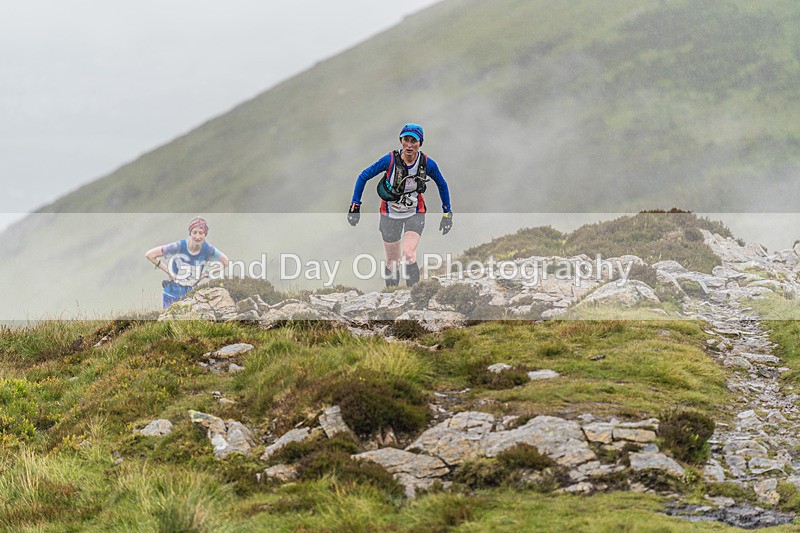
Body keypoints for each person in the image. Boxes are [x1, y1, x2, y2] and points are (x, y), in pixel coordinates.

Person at [348, 123, 452, 287]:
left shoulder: (427, 163)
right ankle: (391, 294)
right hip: (389, 214)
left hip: (415, 212)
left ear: (420, 143)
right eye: (406, 140)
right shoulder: (390, 160)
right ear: (401, 141)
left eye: (414, 141)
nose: (409, 145)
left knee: (409, 254)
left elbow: (442, 184)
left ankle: (416, 294)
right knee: (392, 262)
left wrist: (447, 214)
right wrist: (355, 205)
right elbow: (363, 176)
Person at [144, 217, 230, 308]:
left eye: (201, 233)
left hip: (190, 296)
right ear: (190, 233)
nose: (197, 237)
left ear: (205, 234)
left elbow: (225, 262)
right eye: (194, 232)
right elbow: (150, 255)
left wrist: (205, 274)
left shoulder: (208, 250)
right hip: (171, 294)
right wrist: (169, 272)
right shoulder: (178, 246)